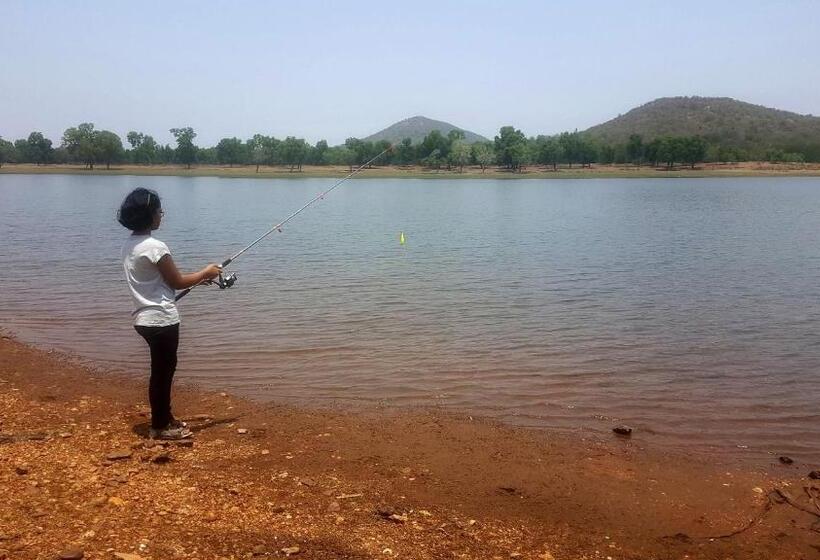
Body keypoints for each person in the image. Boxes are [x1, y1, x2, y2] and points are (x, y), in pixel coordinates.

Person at [118, 188, 221, 440]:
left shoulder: (130, 245)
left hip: (143, 319)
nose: (161, 216)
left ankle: (165, 418)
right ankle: (161, 426)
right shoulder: (155, 247)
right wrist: (206, 273)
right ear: (150, 215)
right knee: (163, 375)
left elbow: (159, 282)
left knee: (160, 372)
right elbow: (176, 282)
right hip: (162, 320)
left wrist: (198, 280)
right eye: (159, 211)